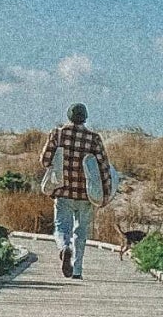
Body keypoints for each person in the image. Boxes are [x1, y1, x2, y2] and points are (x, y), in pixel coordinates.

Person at [38, 102, 115, 278]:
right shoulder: (93, 138)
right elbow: (104, 167)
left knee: (61, 227)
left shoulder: (57, 134)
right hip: (86, 193)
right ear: (85, 118)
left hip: (62, 190)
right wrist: (106, 193)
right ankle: (77, 269)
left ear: (69, 116)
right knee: (81, 231)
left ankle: (65, 248)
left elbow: (45, 160)